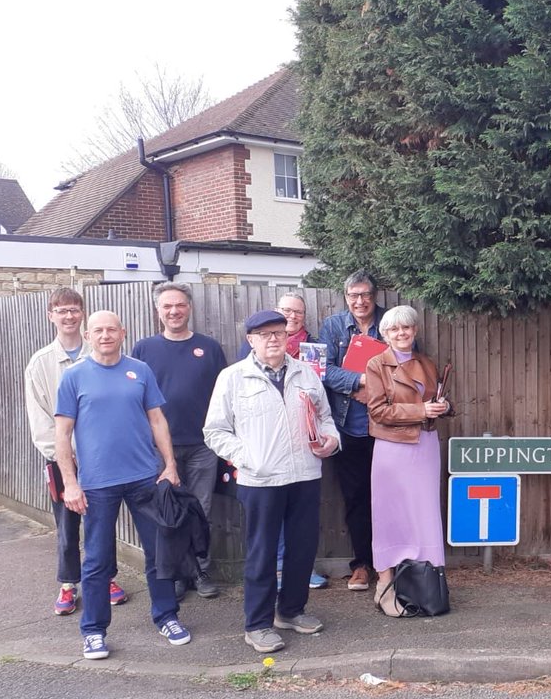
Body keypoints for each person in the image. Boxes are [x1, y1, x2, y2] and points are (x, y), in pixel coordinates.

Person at [204, 310, 341, 653]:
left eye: (279, 332)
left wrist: (330, 440)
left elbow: (325, 418)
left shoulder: (306, 373)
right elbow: (214, 431)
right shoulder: (233, 378)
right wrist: (249, 457)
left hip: (305, 474)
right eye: (264, 334)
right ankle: (258, 623)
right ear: (250, 340)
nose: (273, 339)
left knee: (302, 549)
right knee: (262, 553)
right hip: (260, 480)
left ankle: (291, 610)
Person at [54, 311, 188, 660]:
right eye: (98, 330)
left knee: (158, 552)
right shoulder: (74, 376)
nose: (105, 335)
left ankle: (167, 616)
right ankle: (94, 631)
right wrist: (70, 483)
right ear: (88, 335)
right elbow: (62, 434)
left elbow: (157, 420)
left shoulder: (139, 371)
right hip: (97, 485)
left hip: (144, 477)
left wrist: (170, 465)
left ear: (123, 332)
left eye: (111, 329)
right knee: (97, 560)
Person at [23, 288, 127, 616]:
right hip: (61, 459)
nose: (68, 316)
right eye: (61, 310)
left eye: (74, 310)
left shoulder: (98, 355)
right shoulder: (40, 364)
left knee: (101, 521)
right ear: (51, 316)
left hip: (100, 458)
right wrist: (63, 458)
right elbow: (40, 419)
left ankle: (106, 577)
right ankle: (68, 583)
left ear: (82, 315)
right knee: (67, 524)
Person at [131, 282, 227, 599]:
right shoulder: (143, 350)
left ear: (189, 308)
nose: (174, 311)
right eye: (167, 306)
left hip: (203, 447)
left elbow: (224, 397)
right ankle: (174, 574)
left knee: (200, 510)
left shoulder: (209, 348)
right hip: (159, 450)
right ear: (158, 311)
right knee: (168, 515)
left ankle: (200, 570)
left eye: (180, 305)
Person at [363, 306, 452, 617]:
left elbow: (433, 398)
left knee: (424, 517)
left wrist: (443, 406)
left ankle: (424, 588)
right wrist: (420, 411)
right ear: (385, 334)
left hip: (425, 447)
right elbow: (378, 411)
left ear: (414, 330)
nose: (402, 334)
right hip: (393, 448)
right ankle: (384, 587)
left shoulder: (425, 362)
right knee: (390, 517)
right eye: (394, 330)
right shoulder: (376, 365)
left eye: (407, 328)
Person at [318, 271, 387, 592]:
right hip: (348, 428)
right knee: (356, 498)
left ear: (375, 295)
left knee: (391, 498)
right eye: (353, 295)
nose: (359, 302)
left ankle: (389, 562)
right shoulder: (333, 327)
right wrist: (358, 382)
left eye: (365, 295)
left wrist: (373, 388)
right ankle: (361, 564)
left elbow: (406, 366)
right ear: (346, 297)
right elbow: (321, 369)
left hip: (387, 427)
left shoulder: (391, 323)